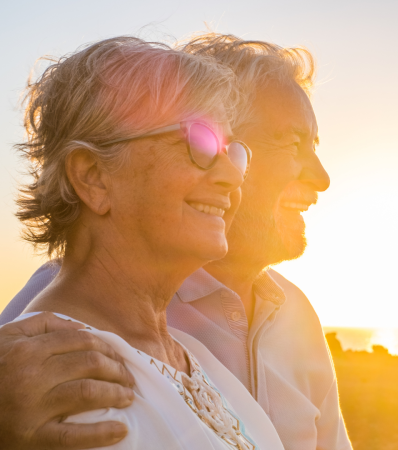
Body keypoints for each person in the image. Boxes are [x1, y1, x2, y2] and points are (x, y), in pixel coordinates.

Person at [0, 34, 353, 450]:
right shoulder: (54, 367)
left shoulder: (191, 355)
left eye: (232, 151)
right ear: (94, 176)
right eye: (198, 142)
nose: (231, 174)